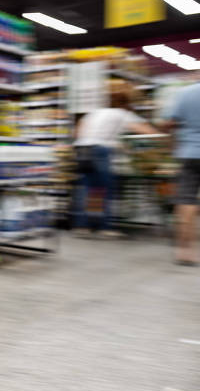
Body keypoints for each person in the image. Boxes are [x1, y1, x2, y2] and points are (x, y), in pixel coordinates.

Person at [72, 80, 158, 238]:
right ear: (126, 101)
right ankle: (105, 227)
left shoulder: (96, 111)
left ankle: (82, 226)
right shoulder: (122, 114)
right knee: (104, 190)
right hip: (100, 151)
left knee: (87, 189)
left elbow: (78, 130)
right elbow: (148, 131)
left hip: (82, 150)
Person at [161, 82, 200, 266]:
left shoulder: (185, 92)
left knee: (185, 200)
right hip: (189, 152)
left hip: (189, 153)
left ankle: (184, 251)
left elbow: (169, 123)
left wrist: (171, 145)